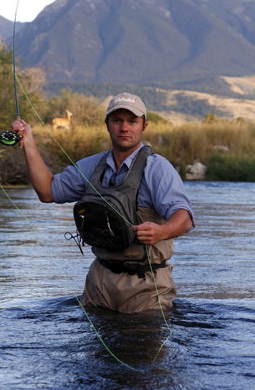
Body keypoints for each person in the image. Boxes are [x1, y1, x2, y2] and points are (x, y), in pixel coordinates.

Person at [11, 93, 194, 313]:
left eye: (132, 121)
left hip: (146, 284)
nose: (124, 127)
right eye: (117, 120)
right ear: (107, 125)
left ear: (144, 127)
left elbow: (184, 217)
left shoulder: (157, 168)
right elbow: (48, 191)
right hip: (99, 282)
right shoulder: (91, 166)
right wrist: (29, 141)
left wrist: (162, 231)